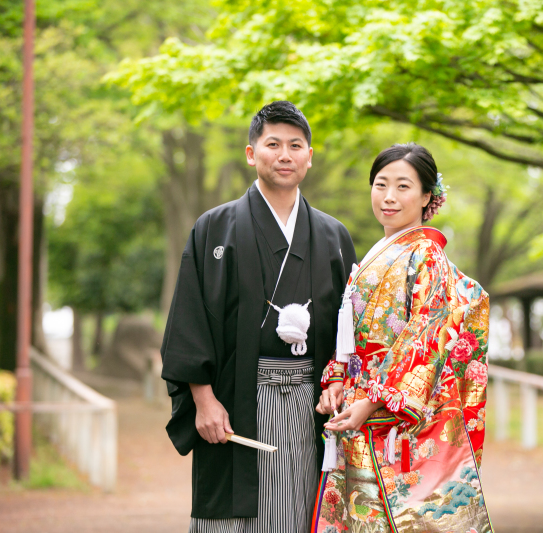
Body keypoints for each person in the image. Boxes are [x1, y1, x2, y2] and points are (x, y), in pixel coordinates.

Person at [160, 101, 357, 532]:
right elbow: (190, 319)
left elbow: (352, 331)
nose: (284, 155)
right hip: (236, 398)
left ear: (309, 156)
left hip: (310, 403)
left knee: (306, 508)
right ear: (252, 153)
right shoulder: (215, 227)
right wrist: (202, 399)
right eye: (273, 144)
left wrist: (340, 383)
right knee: (236, 516)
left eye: (295, 145)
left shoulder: (333, 235)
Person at [313, 143, 492, 532]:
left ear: (427, 196)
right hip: (357, 412)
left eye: (403, 186)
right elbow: (352, 334)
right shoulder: (374, 259)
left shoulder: (426, 254)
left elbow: (425, 335)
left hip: (393, 421)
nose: (389, 197)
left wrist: (372, 401)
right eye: (380, 184)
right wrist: (338, 379)